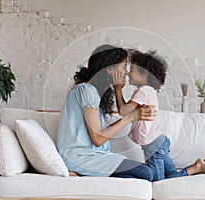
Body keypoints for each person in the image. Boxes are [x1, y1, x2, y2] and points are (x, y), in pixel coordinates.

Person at [113, 49, 205, 181]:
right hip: (159, 142)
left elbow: (123, 111)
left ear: (144, 74)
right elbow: (128, 112)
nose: (128, 73)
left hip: (153, 146)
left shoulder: (142, 92)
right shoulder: (148, 91)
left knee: (159, 181)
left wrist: (117, 89)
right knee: (171, 176)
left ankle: (197, 167)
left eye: (132, 69)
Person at [56, 44, 156, 181]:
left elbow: (100, 132)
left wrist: (118, 90)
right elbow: (97, 138)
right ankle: (84, 172)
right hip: (80, 157)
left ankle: (85, 174)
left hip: (93, 156)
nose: (126, 72)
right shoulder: (87, 90)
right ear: (109, 68)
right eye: (124, 66)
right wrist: (130, 117)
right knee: (145, 173)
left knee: (146, 173)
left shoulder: (92, 92)